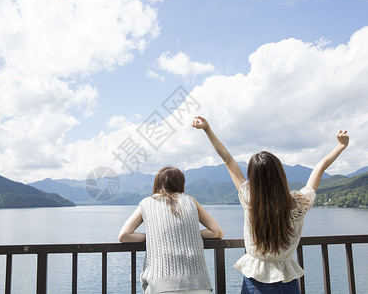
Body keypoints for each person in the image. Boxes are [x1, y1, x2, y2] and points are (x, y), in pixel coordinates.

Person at [192, 116, 349, 294]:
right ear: (281, 174)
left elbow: (227, 159)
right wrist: (340, 146)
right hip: (287, 283)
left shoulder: (250, 199)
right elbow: (319, 168)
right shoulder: (298, 203)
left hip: (254, 283)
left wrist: (207, 129)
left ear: (254, 177)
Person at [118, 166, 224, 294]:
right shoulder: (190, 201)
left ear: (157, 183)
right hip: (198, 284)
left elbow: (124, 235)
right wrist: (187, 233)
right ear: (181, 184)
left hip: (161, 285)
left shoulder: (146, 203)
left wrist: (156, 235)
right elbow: (217, 232)